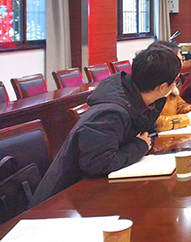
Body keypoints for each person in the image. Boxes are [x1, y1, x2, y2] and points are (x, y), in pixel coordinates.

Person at [30, 46, 181, 206]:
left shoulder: (149, 101)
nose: (176, 85)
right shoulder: (110, 112)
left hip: (98, 191)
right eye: (175, 81)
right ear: (162, 87)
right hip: (62, 202)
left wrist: (141, 144)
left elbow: (150, 133)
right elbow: (97, 164)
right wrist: (139, 146)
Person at [149, 40, 191, 131]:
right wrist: (189, 118)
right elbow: (155, 123)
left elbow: (181, 106)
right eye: (179, 60)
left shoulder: (172, 84)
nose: (182, 64)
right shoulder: (151, 87)